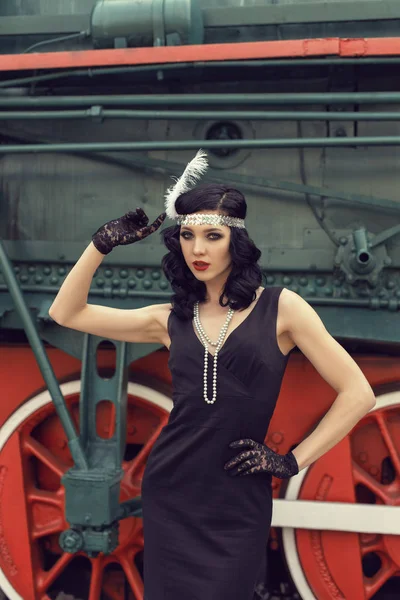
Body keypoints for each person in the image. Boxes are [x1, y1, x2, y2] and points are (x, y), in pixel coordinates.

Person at [49, 151, 376, 600]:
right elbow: (65, 313)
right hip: (172, 490)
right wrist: (101, 243)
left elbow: (358, 394)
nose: (197, 250)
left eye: (212, 236)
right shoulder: (170, 318)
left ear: (235, 242)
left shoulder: (282, 308)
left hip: (238, 499)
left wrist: (292, 462)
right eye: (186, 235)